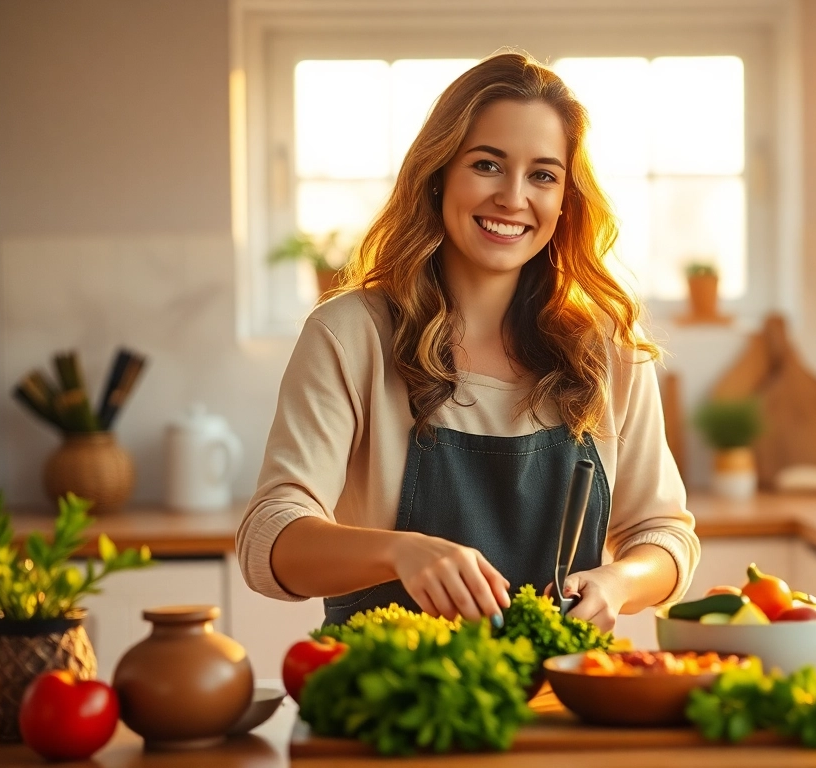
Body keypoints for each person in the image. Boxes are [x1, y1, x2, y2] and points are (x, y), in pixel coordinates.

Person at [236, 52, 699, 633]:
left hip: (562, 699)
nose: (512, 197)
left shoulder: (608, 347)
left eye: (543, 175)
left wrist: (619, 581)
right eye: (486, 164)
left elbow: (664, 534)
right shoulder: (351, 335)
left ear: (565, 200)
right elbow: (269, 536)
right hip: (391, 701)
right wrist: (398, 552)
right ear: (438, 174)